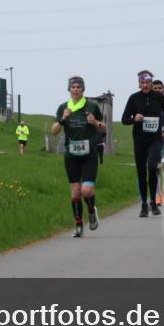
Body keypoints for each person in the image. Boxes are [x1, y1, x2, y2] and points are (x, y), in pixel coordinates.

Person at [50, 76, 105, 237]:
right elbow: (54, 131)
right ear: (69, 89)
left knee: (86, 190)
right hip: (71, 155)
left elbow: (103, 129)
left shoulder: (92, 106)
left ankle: (91, 211)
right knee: (75, 191)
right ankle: (79, 225)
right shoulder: (63, 107)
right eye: (73, 87)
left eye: (78, 87)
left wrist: (95, 122)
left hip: (89, 155)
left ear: (83, 90)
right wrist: (63, 119)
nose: (75, 89)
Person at [121, 70, 164, 217]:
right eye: (142, 83)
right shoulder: (134, 98)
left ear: (151, 82)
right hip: (139, 140)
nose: (145, 85)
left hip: (155, 139)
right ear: (139, 83)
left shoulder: (159, 97)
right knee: (141, 172)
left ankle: (153, 202)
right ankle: (144, 204)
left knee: (152, 167)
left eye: (148, 82)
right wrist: (134, 119)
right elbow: (124, 119)